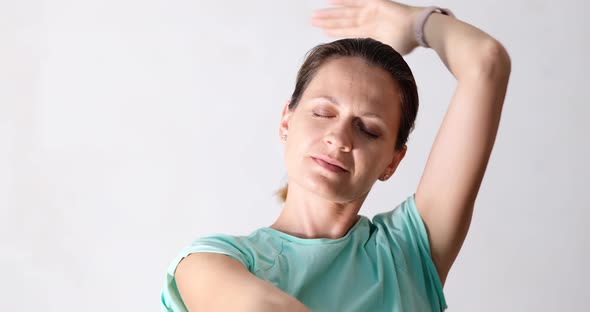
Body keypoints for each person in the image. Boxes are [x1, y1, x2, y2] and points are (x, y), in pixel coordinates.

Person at [160, 0, 511, 311]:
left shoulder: (409, 253)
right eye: (324, 113)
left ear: (392, 161)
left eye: (368, 129)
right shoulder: (209, 262)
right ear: (287, 119)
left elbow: (486, 62)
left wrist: (416, 24)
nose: (339, 138)